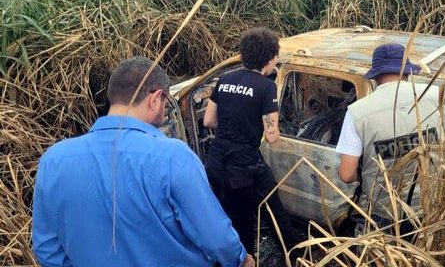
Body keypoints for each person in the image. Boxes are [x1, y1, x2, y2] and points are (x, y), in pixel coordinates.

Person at [32, 56, 254, 267]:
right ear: (155, 98)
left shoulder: (53, 161)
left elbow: (47, 250)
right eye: (167, 102)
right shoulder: (174, 157)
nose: (166, 110)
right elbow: (215, 237)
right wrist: (240, 259)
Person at [203, 28, 299, 262]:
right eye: (276, 55)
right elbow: (272, 135)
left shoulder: (225, 79)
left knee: (234, 217)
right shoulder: (266, 87)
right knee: (274, 213)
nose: (277, 59)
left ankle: (238, 259)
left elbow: (208, 120)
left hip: (217, 162)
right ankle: (295, 254)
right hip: (245, 165)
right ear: (269, 58)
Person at [335, 43, 445, 222]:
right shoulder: (436, 96)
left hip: (384, 213)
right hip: (434, 207)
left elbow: (346, 174)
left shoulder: (357, 112)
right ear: (409, 72)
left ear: (375, 76)